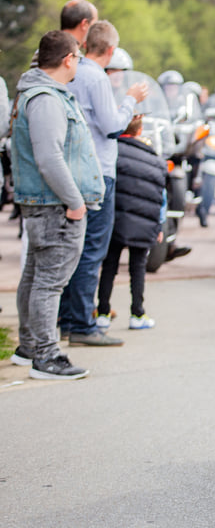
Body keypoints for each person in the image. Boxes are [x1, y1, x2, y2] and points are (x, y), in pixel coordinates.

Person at [8, 31, 103, 378]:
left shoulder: (37, 93)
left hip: (48, 203)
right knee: (49, 283)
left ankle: (30, 347)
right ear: (67, 59)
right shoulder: (47, 98)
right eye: (78, 57)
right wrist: (75, 202)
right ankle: (46, 356)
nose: (78, 62)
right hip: (56, 206)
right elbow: (49, 157)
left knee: (35, 277)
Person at [58, 20, 148, 347]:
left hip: (75, 168)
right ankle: (83, 325)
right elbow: (111, 126)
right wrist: (130, 100)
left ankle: (68, 319)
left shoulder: (74, 71)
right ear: (110, 51)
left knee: (74, 248)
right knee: (92, 250)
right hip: (97, 172)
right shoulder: (96, 76)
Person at [96, 115, 167, 331]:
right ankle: (138, 313)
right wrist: (159, 225)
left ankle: (103, 313)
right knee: (138, 268)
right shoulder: (155, 160)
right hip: (144, 222)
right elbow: (161, 196)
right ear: (140, 130)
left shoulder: (112, 152)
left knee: (109, 266)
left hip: (115, 220)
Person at [30, 0, 98, 68]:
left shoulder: (43, 51)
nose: (96, 32)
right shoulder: (75, 59)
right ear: (84, 24)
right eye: (94, 25)